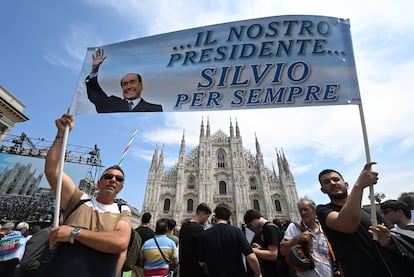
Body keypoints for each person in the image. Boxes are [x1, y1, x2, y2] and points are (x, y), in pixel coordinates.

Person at [41, 114, 132, 277]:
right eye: (108, 177)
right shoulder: (78, 200)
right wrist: (61, 135)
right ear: (99, 182)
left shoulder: (122, 210)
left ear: (121, 187)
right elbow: (52, 171)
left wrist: (74, 233)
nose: (113, 180)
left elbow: (120, 242)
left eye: (118, 179)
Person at [316, 163, 412, 277]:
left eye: (336, 179)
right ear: (323, 190)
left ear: (346, 184)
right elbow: (347, 225)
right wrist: (359, 185)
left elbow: (395, 238)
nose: (332, 183)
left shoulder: (369, 210)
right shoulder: (324, 210)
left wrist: (388, 241)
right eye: (327, 182)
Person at [86, 48, 163, 113]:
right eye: (125, 84)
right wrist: (94, 70)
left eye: (132, 82)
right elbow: (96, 95)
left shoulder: (155, 109)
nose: (128, 86)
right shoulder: (111, 103)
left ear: (141, 85)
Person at [198, 204, 262, 277]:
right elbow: (251, 256)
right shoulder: (237, 232)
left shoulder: (205, 234)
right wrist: (258, 273)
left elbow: (201, 262)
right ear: (229, 218)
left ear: (215, 217)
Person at [280, 197, 332, 277]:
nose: (303, 213)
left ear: (314, 211)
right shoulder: (295, 227)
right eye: (300, 210)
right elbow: (282, 251)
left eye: (306, 209)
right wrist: (297, 238)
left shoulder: (325, 228)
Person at [243, 209, 285, 277]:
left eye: (251, 225)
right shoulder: (266, 229)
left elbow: (273, 255)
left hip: (277, 271)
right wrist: (261, 249)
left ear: (255, 219)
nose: (252, 228)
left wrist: (252, 250)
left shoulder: (270, 229)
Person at [179, 203, 211, 277]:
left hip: (184, 270)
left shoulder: (184, 226)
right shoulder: (199, 229)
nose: (207, 219)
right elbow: (201, 255)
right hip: (196, 271)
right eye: (207, 216)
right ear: (202, 214)